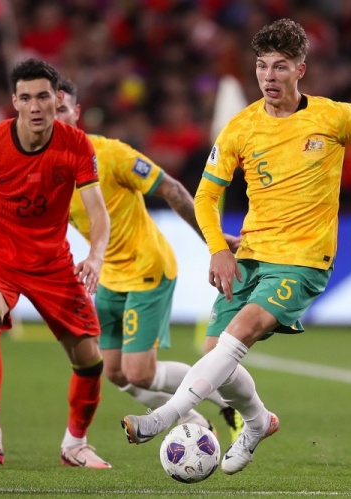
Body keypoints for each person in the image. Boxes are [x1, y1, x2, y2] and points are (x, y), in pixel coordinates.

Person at [121, 18, 351, 475]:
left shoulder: (335, 117)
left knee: (241, 332)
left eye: (280, 66)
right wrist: (217, 249)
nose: (269, 76)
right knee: (216, 358)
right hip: (251, 254)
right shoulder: (240, 128)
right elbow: (206, 195)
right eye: (262, 66)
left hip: (304, 260)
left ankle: (162, 418)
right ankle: (258, 422)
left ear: (300, 70)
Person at [0, 59, 112, 469]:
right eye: (26, 98)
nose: (35, 106)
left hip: (52, 263)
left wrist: (95, 256)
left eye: (43, 97)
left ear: (57, 99)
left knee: (90, 360)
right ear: (14, 102)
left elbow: (98, 213)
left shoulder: (76, 145)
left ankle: (75, 444)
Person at [55, 79, 244, 441]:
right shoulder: (43, 172)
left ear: (76, 113)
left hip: (147, 268)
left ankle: (228, 405)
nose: (55, 117)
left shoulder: (111, 154)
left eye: (62, 109)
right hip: (108, 277)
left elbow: (172, 189)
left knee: (140, 372)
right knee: (115, 372)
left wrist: (215, 241)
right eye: (50, 110)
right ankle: (195, 420)